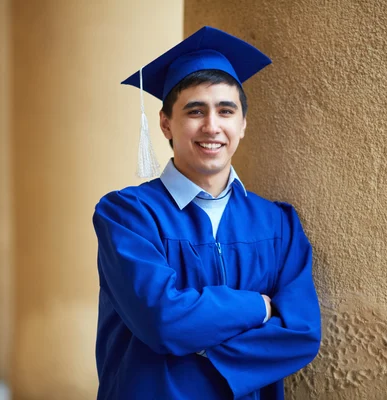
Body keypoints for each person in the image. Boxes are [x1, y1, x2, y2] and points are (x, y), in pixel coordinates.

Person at [92, 26, 321, 400]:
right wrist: (260, 307)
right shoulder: (127, 216)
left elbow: (301, 333)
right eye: (195, 111)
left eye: (225, 111)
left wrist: (197, 343)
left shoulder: (278, 224)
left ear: (242, 125)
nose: (212, 126)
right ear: (166, 123)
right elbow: (162, 320)